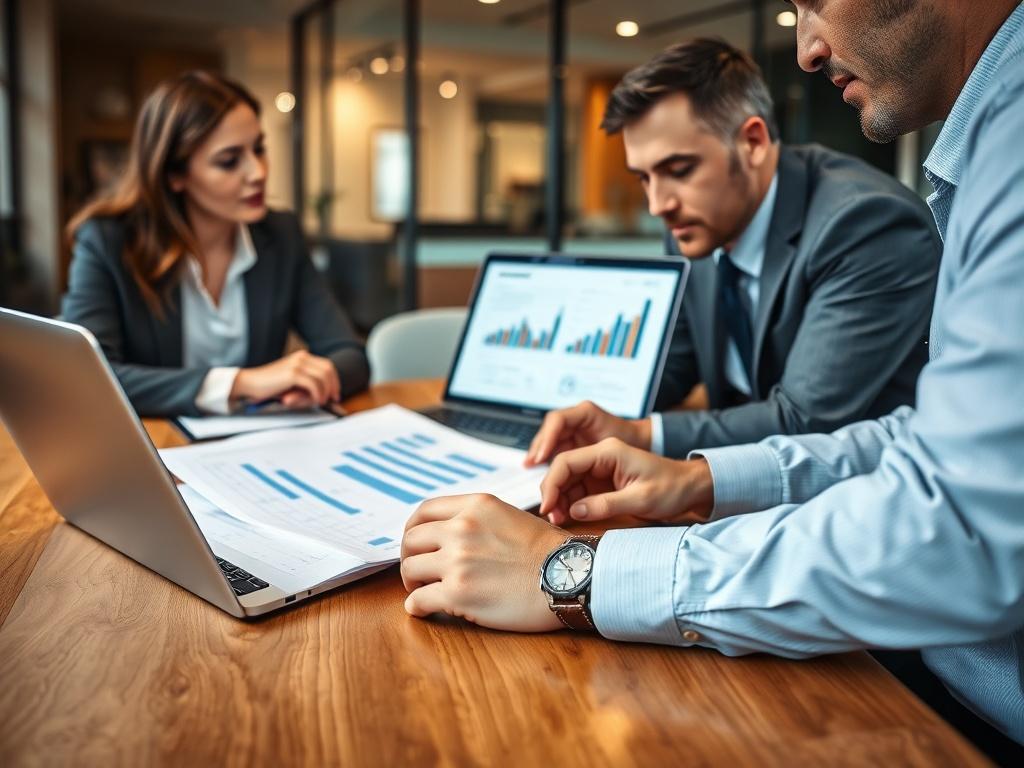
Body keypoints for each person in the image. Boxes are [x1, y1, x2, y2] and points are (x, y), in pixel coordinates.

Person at [401, 0, 1024, 758]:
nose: (806, 47)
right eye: (643, 178)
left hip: (940, 670)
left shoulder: (880, 212)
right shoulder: (713, 231)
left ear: (753, 144)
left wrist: (577, 571)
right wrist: (688, 473)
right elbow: (925, 443)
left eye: (816, 1)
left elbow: (895, 481)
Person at [526, 39, 940, 465]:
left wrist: (641, 434)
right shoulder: (692, 223)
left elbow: (805, 420)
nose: (658, 205)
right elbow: (676, 363)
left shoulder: (864, 224)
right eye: (644, 178)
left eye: (679, 170)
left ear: (754, 142)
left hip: (862, 489)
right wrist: (578, 407)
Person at [63, 71, 368, 417]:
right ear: (174, 175)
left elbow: (349, 353)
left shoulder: (280, 235)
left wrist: (311, 380)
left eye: (259, 149)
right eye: (229, 161)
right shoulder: (107, 241)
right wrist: (242, 383)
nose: (258, 172)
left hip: (255, 447)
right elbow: (88, 379)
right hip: (155, 447)